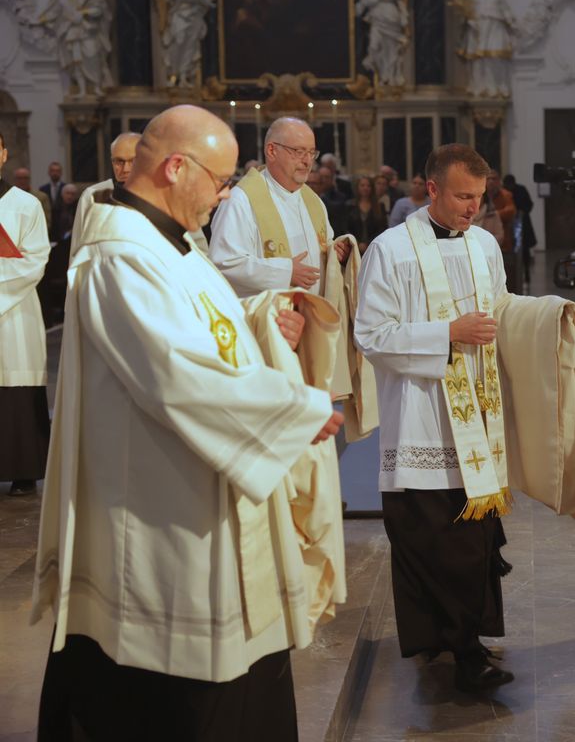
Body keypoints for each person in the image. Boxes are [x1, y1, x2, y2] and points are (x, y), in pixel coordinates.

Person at [32, 104, 344, 740]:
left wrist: (263, 315)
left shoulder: (172, 239)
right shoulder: (118, 255)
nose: (225, 195)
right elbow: (176, 371)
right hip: (164, 507)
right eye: (222, 180)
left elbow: (205, 324)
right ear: (178, 167)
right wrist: (297, 409)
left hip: (203, 485)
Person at [354, 143, 515, 693]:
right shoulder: (391, 249)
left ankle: (467, 642)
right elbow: (371, 336)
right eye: (464, 196)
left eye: (480, 196)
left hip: (479, 422)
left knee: (473, 543)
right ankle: (454, 648)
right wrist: (446, 334)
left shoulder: (486, 245)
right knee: (431, 543)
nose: (474, 207)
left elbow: (502, 312)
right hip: (421, 420)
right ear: (432, 190)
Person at [209, 116, 350, 297]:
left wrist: (336, 253)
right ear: (272, 151)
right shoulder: (241, 200)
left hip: (315, 314)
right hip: (267, 318)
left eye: (312, 153)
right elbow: (223, 263)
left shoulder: (313, 200)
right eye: (299, 151)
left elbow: (323, 246)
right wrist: (284, 273)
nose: (308, 161)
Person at [0, 131, 51, 497]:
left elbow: (35, 260)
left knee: (15, 383)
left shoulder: (25, 204)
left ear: (3, 153)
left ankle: (22, 470)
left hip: (14, 311)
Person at [71, 132, 142, 257]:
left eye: (133, 161)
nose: (125, 169)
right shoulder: (94, 195)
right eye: (119, 161)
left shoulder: (158, 193)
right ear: (112, 161)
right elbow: (79, 245)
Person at [502, 173, 535, 283]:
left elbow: (529, 204)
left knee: (525, 250)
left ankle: (526, 273)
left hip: (522, 223)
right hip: (508, 225)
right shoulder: (504, 192)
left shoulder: (521, 190)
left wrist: (521, 212)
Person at [345, 174, 389, 252]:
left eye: (368, 186)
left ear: (372, 188)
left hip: (374, 247)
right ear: (357, 188)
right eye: (362, 185)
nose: (365, 188)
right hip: (352, 247)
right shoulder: (349, 205)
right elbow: (345, 228)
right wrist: (357, 243)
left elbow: (383, 229)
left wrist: (368, 243)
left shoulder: (380, 207)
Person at [39, 161, 65, 225]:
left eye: (57, 171)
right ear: (49, 172)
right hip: (48, 223)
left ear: (61, 173)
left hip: (62, 224)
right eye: (53, 171)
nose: (55, 173)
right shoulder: (42, 189)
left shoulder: (66, 188)